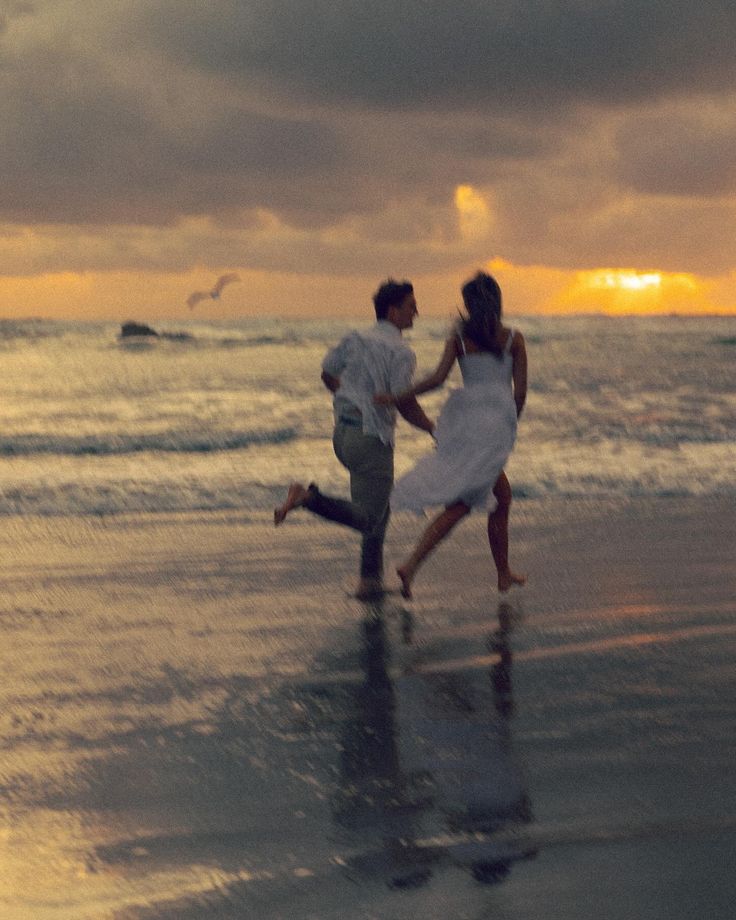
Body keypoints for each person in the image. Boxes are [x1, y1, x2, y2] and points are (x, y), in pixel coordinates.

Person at [274, 279, 435, 599]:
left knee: (379, 509)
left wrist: (348, 398)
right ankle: (308, 498)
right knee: (369, 518)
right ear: (392, 311)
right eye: (410, 305)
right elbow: (402, 401)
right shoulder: (401, 352)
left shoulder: (355, 337)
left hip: (343, 436)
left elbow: (326, 372)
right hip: (370, 441)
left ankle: (369, 581)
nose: (417, 311)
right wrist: (433, 428)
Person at [374, 271, 527, 598]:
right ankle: (411, 565)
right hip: (496, 425)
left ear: (469, 305)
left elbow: (437, 380)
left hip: (465, 421)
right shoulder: (514, 339)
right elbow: (520, 393)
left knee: (500, 497)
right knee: (465, 503)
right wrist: (510, 427)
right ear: (497, 302)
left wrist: (396, 397)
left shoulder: (459, 339)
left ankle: (502, 573)